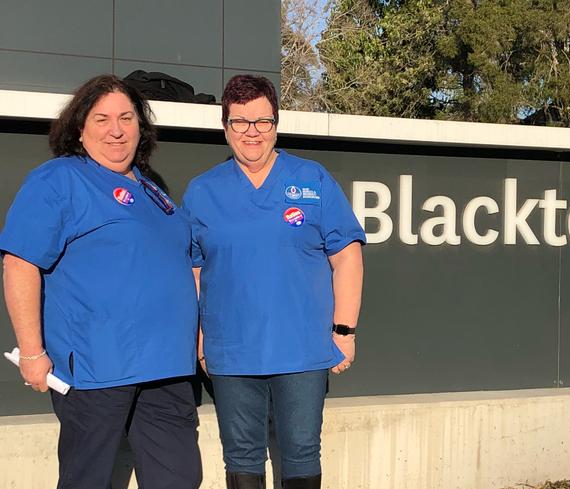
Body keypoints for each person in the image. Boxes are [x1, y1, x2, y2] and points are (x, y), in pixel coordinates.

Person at [0, 74, 202, 489]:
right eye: (102, 118)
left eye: (127, 118)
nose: (117, 129)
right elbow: (20, 264)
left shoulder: (151, 187)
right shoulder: (59, 179)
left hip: (166, 367)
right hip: (97, 370)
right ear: (79, 127)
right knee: (89, 480)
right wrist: (34, 354)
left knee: (179, 478)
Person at [182, 74, 365, 489]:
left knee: (301, 451)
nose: (252, 132)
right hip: (231, 352)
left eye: (262, 121)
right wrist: (198, 342)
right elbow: (194, 271)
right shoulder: (202, 191)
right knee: (241, 456)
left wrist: (345, 331)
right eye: (240, 121)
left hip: (302, 350)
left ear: (276, 124)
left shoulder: (313, 180)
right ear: (225, 125)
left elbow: (348, 257)